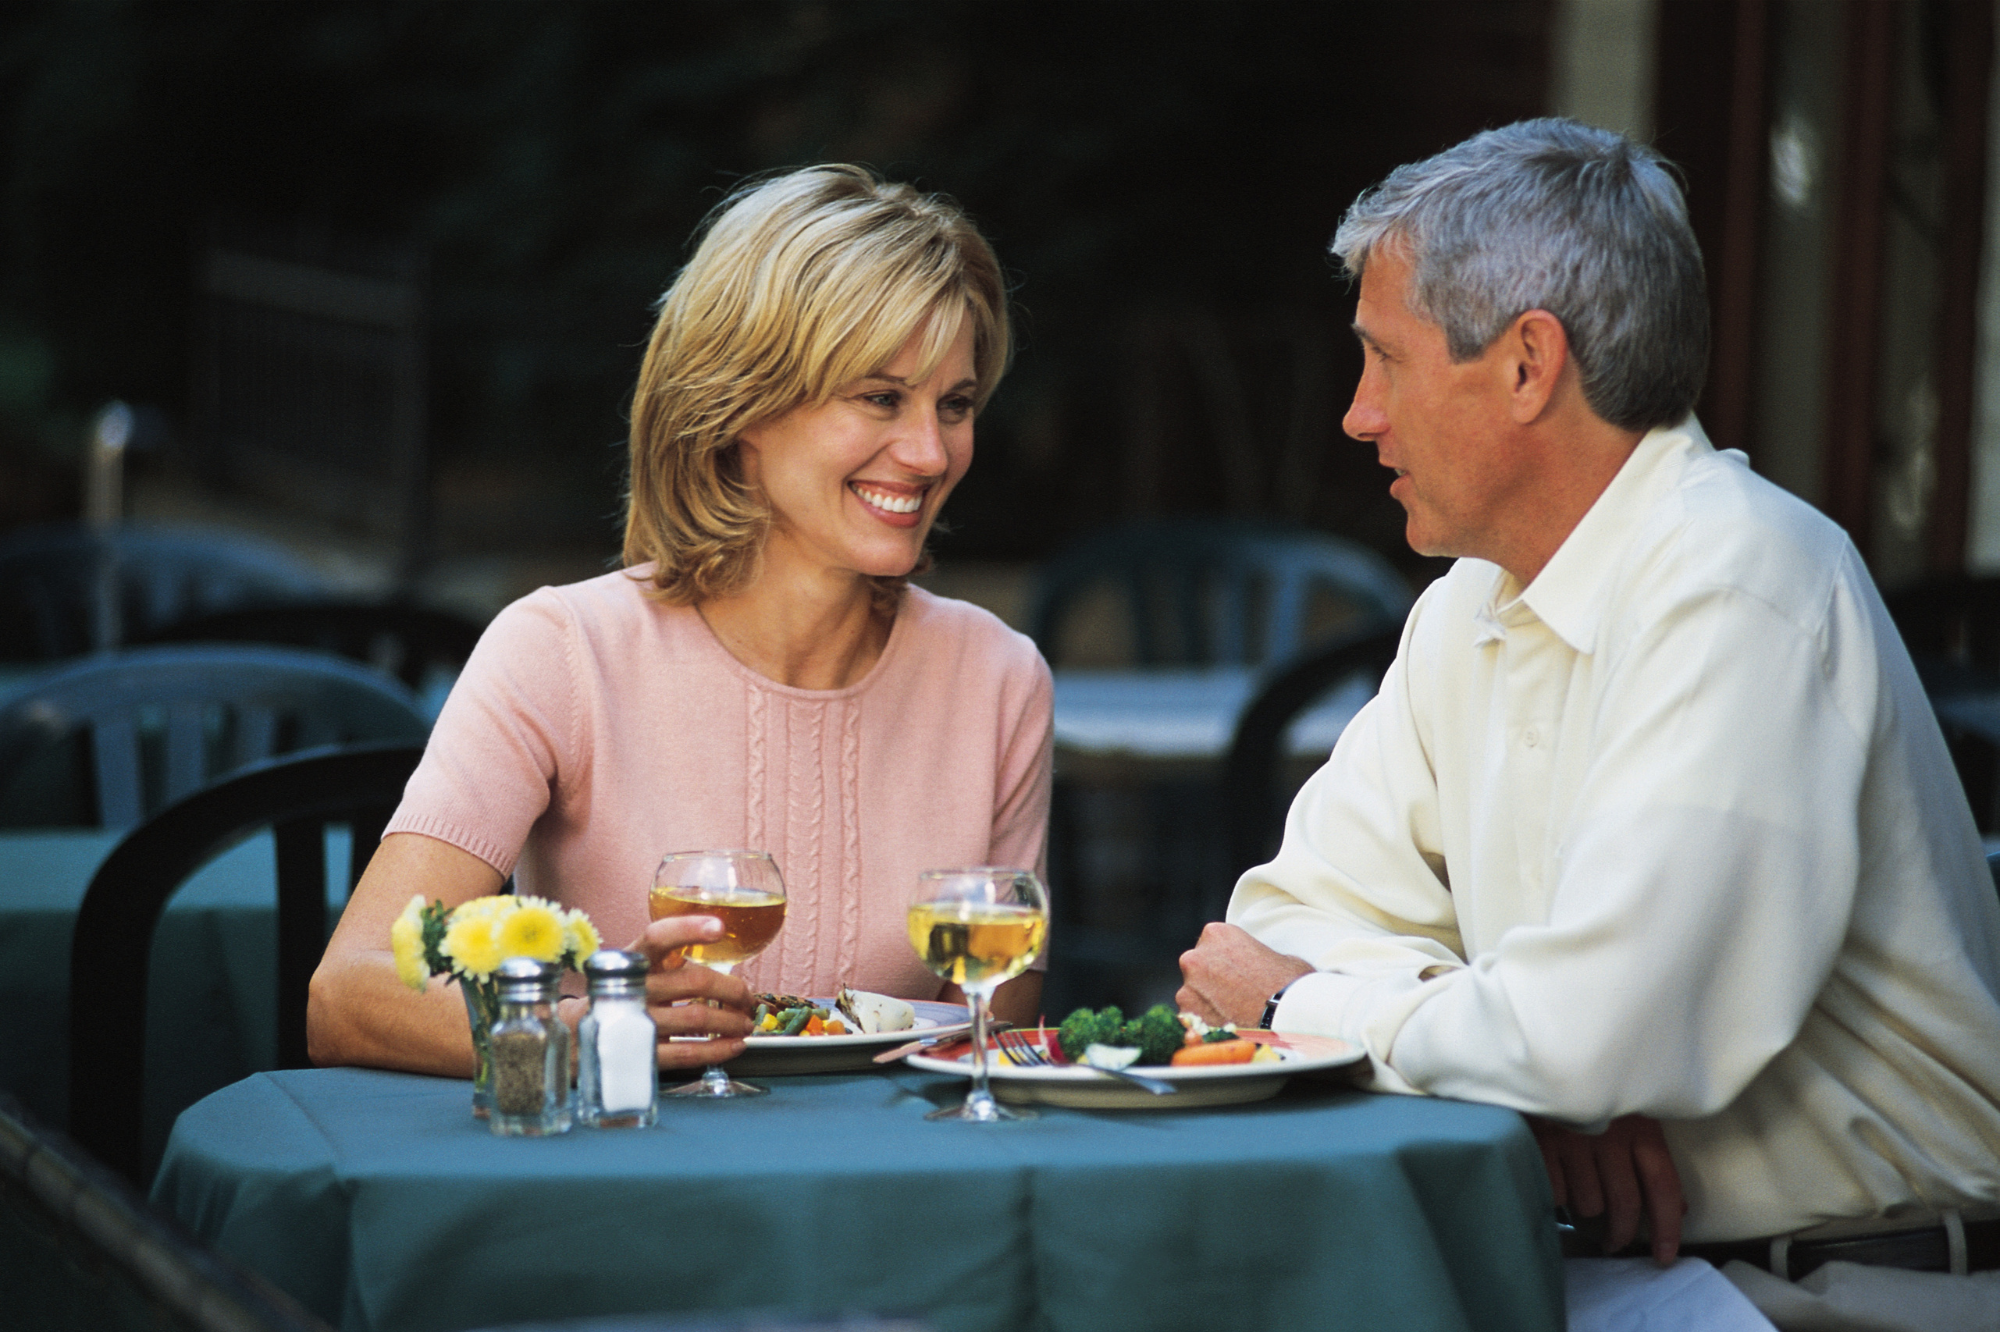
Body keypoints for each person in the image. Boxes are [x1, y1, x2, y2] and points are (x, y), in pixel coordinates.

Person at [1176, 119, 2000, 1313]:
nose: (1358, 415)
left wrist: (1308, 1010)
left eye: (1384, 361)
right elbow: (1294, 907)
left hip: (1848, 1290)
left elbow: (1572, 1036)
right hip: (1632, 1271)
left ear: (1525, 363)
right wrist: (1512, 1088)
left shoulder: (1740, 583)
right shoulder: (1472, 602)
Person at [311, 165, 1053, 1076]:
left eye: (956, 404)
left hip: (885, 1194)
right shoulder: (563, 651)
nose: (930, 451)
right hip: (632, 1181)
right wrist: (602, 1030)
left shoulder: (997, 679)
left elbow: (994, 1050)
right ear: (744, 405)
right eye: (879, 397)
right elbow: (349, 994)